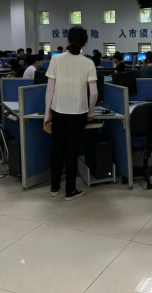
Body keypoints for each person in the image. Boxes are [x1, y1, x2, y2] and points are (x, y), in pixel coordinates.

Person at [44, 26, 98, 201]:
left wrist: (47, 113)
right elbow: (94, 93)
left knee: (57, 150)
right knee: (72, 152)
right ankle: (70, 190)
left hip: (58, 111)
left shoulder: (56, 59)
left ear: (68, 40)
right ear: (85, 42)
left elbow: (50, 89)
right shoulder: (88, 63)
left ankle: (54, 188)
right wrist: (90, 111)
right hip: (78, 112)